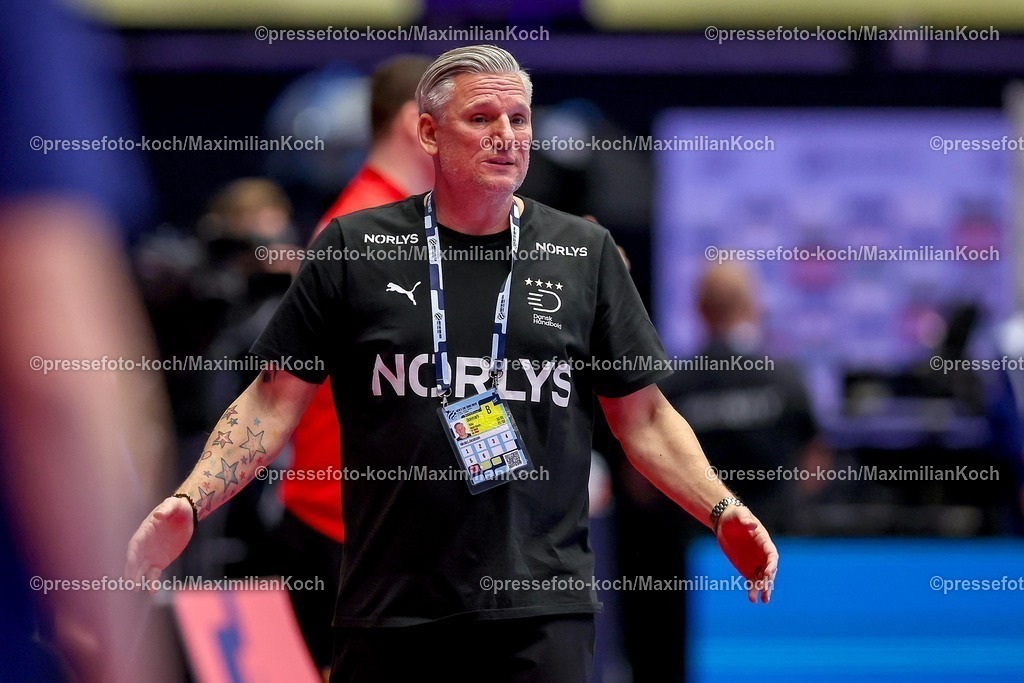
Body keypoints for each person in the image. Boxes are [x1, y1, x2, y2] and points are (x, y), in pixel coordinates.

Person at [126, 45, 778, 682]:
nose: (506, 136)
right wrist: (192, 498)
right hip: (391, 609)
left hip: (540, 611)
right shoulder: (356, 246)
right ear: (430, 134)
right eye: (481, 118)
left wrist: (721, 509)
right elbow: (272, 401)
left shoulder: (586, 252)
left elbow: (646, 418)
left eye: (518, 119)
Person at [279, 54, 433, 674]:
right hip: (348, 531)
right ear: (416, 124)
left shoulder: (400, 221)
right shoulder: (367, 230)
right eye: (469, 119)